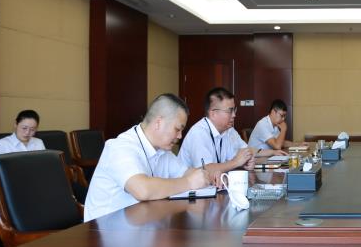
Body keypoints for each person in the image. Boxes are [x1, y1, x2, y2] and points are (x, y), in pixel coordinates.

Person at [84, 93, 210, 221]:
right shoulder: (120, 147)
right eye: (177, 129)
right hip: (104, 229)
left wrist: (201, 175)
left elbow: (186, 172)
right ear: (158, 123)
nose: (180, 136)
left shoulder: (162, 151)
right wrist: (189, 182)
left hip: (143, 224)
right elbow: (142, 190)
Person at [179, 87, 273, 186]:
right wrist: (236, 162)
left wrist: (247, 161)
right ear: (213, 114)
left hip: (218, 186)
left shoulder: (229, 131)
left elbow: (245, 152)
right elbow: (206, 170)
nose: (234, 115)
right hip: (189, 191)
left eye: (234, 110)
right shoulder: (198, 133)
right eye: (230, 111)